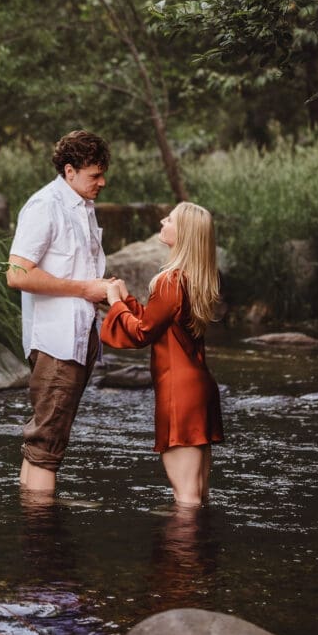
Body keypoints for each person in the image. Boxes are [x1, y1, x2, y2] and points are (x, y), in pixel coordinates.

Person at [7, 130, 112, 494]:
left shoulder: (83, 206)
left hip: (79, 339)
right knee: (47, 444)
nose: (102, 182)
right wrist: (86, 289)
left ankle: (33, 515)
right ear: (69, 171)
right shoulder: (44, 206)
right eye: (94, 175)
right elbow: (17, 274)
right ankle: (41, 534)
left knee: (46, 439)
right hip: (55, 342)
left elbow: (82, 275)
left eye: (102, 173)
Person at [101, 202, 224, 507]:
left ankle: (181, 555)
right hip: (199, 390)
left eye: (169, 219)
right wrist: (125, 299)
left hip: (179, 394)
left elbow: (142, 332)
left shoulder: (170, 280)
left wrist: (116, 303)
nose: (162, 220)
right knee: (198, 495)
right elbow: (156, 323)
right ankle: (199, 554)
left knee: (186, 498)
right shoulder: (193, 279)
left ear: (182, 233)